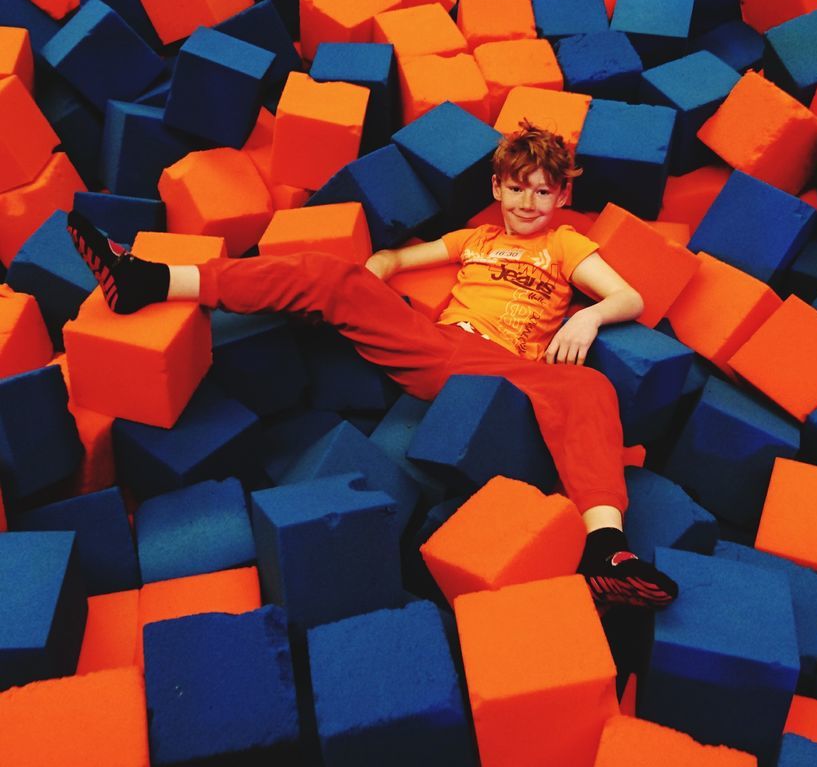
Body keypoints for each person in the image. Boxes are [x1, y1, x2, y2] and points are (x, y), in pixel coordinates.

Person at [67, 123, 678, 610]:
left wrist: (587, 318)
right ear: (496, 188)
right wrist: (377, 269)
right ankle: (149, 278)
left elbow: (629, 297)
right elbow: (400, 256)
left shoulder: (565, 245)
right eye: (516, 188)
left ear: (563, 196)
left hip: (504, 371)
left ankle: (606, 552)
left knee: (589, 386)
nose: (527, 203)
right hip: (433, 344)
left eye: (543, 191)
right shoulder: (476, 240)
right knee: (330, 276)